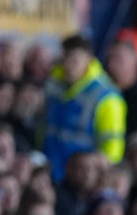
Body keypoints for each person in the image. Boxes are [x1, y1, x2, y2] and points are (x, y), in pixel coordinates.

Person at [43, 35, 126, 182]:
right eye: (65, 59)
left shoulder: (106, 97)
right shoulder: (52, 86)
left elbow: (112, 149)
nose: (68, 65)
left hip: (82, 178)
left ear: (88, 60)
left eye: (75, 60)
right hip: (50, 170)